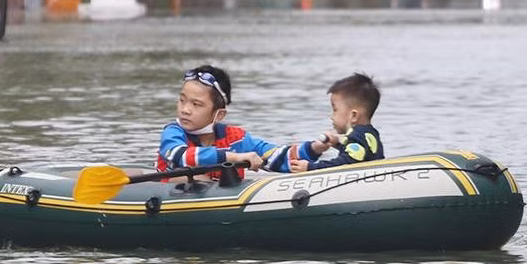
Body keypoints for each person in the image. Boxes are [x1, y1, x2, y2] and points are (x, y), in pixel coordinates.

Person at [159, 65, 303, 181]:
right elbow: (180, 155)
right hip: (167, 196)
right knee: (189, 178)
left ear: (219, 114)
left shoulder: (237, 138)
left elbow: (275, 155)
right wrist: (233, 157)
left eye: (196, 104)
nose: (185, 110)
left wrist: (315, 148)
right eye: (182, 100)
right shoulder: (173, 132)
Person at [289, 72, 384, 172]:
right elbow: (357, 156)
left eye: (335, 110)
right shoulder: (369, 133)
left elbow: (345, 163)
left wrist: (310, 167)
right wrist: (337, 144)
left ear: (354, 116)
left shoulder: (357, 135)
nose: (331, 117)